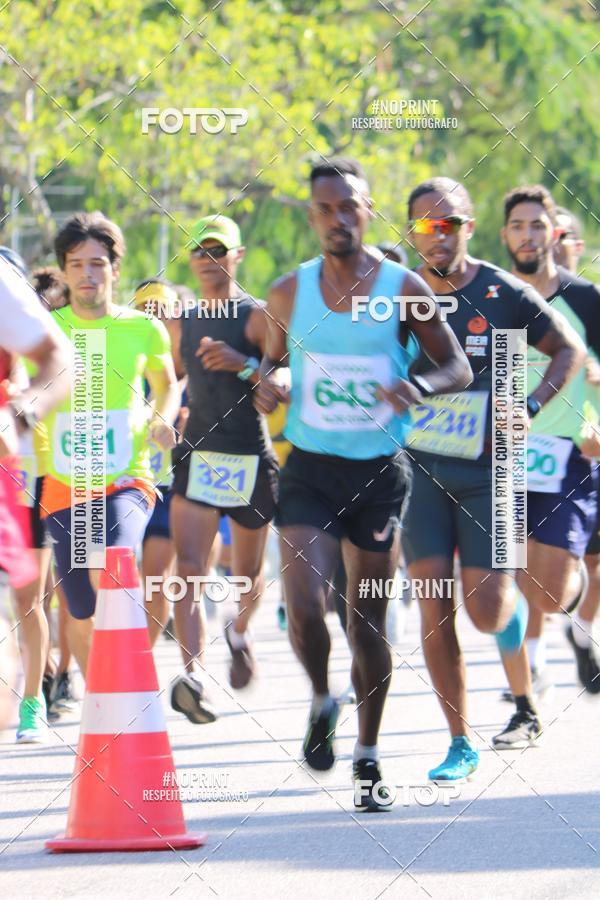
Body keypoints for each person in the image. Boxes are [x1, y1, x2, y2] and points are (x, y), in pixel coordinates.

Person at [254, 158, 472, 811]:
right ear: (313, 216)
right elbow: (270, 364)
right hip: (311, 468)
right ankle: (323, 699)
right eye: (326, 209)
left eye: (349, 206)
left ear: (368, 211)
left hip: (379, 474)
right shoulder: (288, 292)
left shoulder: (404, 287)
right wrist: (268, 383)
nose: (338, 219)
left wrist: (417, 385)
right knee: (304, 599)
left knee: (366, 621)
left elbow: (456, 365)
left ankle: (368, 755)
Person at [400, 177, 585, 776]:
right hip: (421, 471)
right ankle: (460, 742)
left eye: (449, 223)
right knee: (433, 606)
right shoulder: (397, 294)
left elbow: (568, 350)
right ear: (411, 231)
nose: (437, 234)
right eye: (425, 225)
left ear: (469, 228)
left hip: (492, 472)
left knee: (485, 611)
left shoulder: (501, 292)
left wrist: (529, 406)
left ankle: (525, 685)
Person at [40, 212, 180, 677]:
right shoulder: (46, 332)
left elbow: (166, 384)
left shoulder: (143, 328)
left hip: (126, 478)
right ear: (64, 271)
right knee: (79, 610)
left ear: (115, 270)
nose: (87, 274)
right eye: (77, 264)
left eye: (97, 263)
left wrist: (162, 415)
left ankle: (132, 683)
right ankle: (100, 698)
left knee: (112, 564)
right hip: (65, 484)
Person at [168, 214, 279, 724]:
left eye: (218, 250)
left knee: (247, 575)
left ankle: (239, 629)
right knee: (189, 568)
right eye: (199, 250)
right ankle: (194, 677)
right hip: (199, 455)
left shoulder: (257, 317)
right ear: (190, 260)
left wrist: (244, 364)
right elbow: (170, 378)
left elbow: (283, 386)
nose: (208, 259)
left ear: (237, 256)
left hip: (249, 457)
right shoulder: (182, 321)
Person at [501, 186, 600, 695]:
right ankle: (528, 682)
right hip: (503, 457)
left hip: (567, 453)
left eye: (537, 225)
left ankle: (576, 607)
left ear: (553, 233)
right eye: (518, 226)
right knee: (509, 573)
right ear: (504, 235)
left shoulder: (585, 299)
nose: (528, 235)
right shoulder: (491, 293)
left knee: (548, 592)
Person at [0, 252, 71, 741]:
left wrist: (23, 409)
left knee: (29, 599)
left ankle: (33, 699)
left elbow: (54, 367)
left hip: (23, 475)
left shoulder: (23, 331)